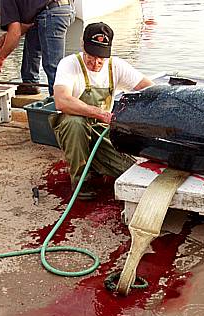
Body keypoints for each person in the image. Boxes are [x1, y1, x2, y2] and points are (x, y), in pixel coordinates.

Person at [52, 22, 153, 200]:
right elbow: (62, 101)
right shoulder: (68, 64)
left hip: (102, 131)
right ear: (82, 45)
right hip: (73, 129)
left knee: (130, 171)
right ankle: (80, 180)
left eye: (101, 57)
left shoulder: (116, 66)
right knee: (75, 123)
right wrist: (101, 114)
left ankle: (97, 164)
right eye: (91, 55)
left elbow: (148, 89)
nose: (96, 62)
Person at [0, 0, 75, 96]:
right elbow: (25, 26)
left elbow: (15, 32)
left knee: (52, 65)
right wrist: (7, 37)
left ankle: (60, 100)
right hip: (54, 9)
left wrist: (0, 58)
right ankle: (30, 84)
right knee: (32, 41)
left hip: (52, 12)